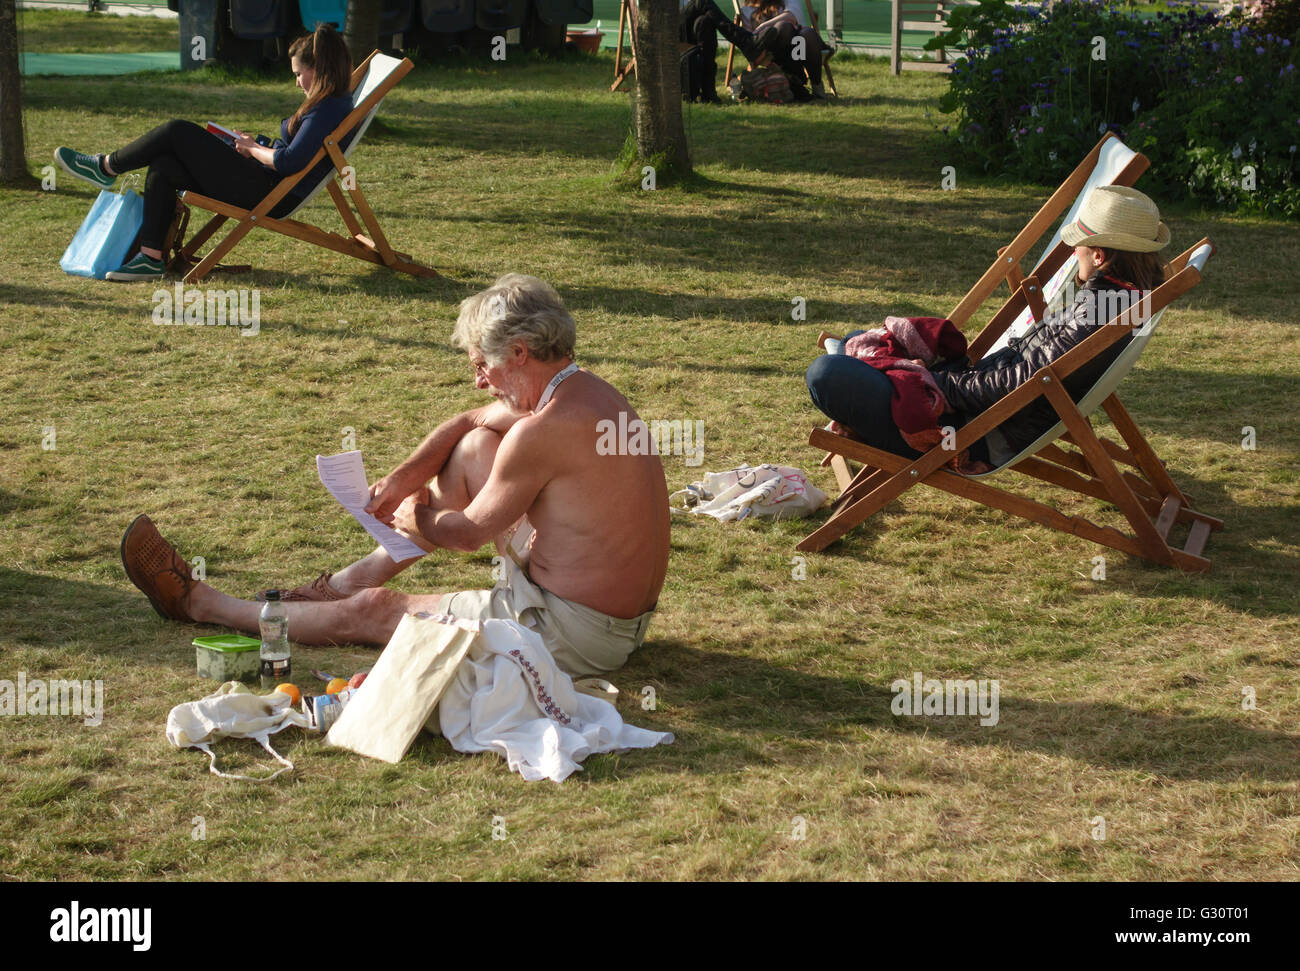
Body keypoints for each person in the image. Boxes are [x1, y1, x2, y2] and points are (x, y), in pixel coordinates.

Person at [120, 275, 671, 679]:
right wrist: (406, 477)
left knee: (377, 612)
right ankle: (342, 583)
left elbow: (466, 535)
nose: (481, 382)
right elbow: (469, 421)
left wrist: (418, 514)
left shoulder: (543, 430)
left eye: (483, 365)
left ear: (520, 353)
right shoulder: (587, 393)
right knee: (476, 446)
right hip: (616, 620)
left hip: (571, 636)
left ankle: (199, 604)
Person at [805, 185, 1170, 470]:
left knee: (827, 374)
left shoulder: (1101, 310)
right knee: (855, 343)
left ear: (1100, 256)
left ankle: (873, 413)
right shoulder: (1117, 301)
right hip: (980, 403)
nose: (1074, 253)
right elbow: (1033, 368)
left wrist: (939, 384)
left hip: (973, 429)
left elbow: (1027, 380)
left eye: (1079, 247)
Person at [54, 24, 355, 282]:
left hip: (270, 193)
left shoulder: (326, 109)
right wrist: (255, 145)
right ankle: (150, 257)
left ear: (317, 69)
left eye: (298, 73)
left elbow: (290, 162)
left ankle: (106, 166)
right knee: (165, 164)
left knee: (176, 131)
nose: (297, 82)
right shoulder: (331, 103)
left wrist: (253, 148)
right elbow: (291, 153)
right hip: (264, 182)